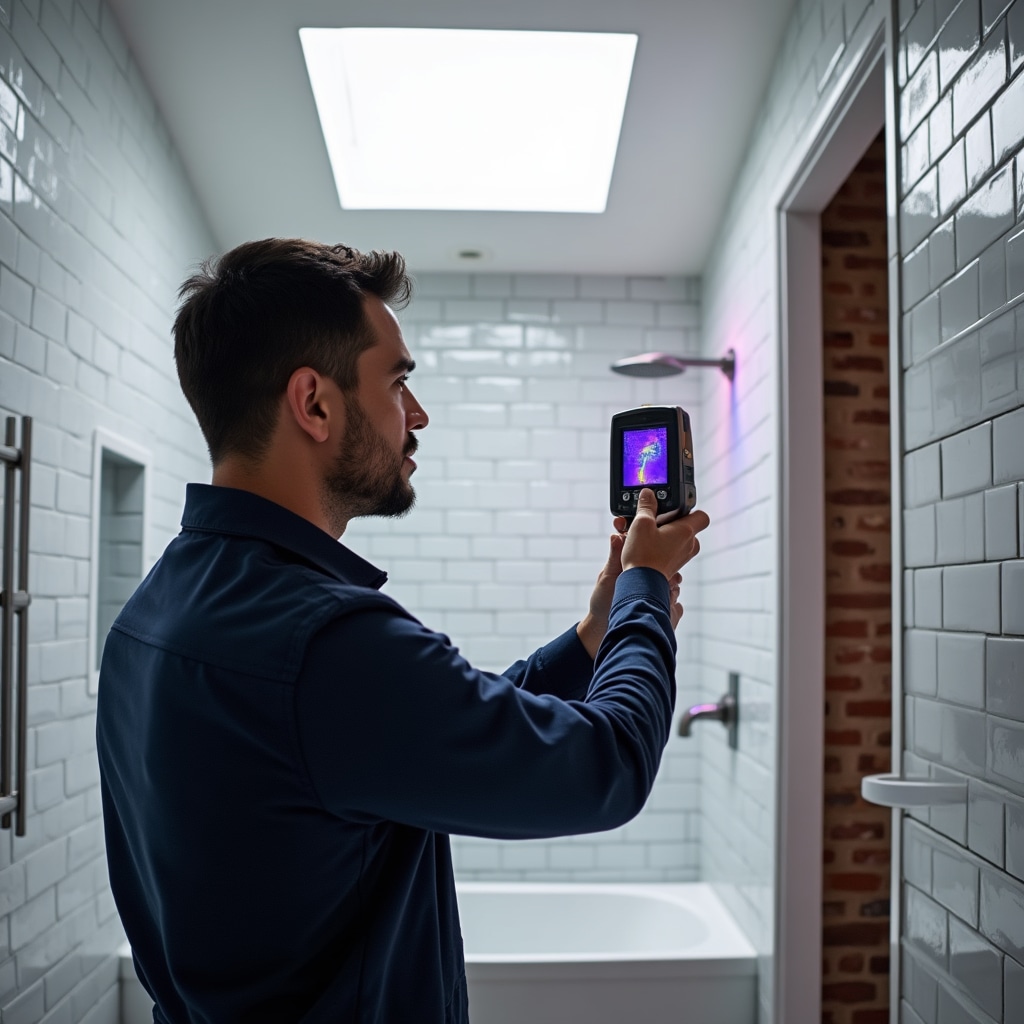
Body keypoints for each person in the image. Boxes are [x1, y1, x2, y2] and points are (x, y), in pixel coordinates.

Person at [96, 238, 710, 1023]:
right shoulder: (324, 641)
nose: (417, 415)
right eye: (398, 382)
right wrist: (645, 589)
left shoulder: (152, 615)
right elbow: (608, 765)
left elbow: (431, 725)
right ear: (313, 403)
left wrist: (593, 637)